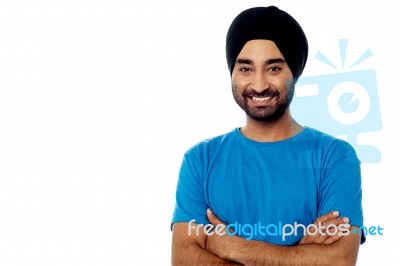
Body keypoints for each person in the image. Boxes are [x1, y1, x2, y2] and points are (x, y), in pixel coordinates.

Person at [171, 6, 364, 265]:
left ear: (294, 73)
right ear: (232, 73)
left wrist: (233, 247)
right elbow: (184, 260)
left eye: (273, 68)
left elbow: (339, 260)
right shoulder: (200, 160)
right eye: (246, 69)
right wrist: (300, 254)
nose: (259, 85)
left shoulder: (334, 156)